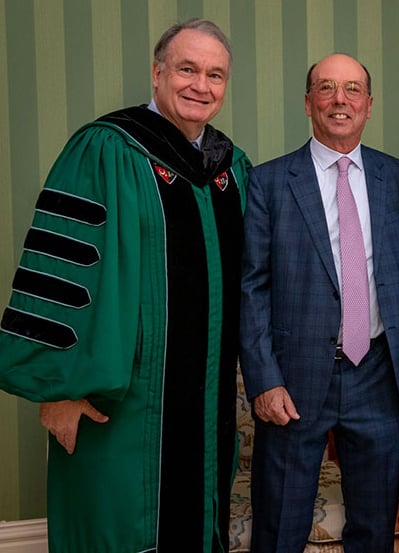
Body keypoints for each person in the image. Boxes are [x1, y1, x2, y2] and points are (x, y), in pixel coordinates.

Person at [0, 18, 251, 553]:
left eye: (215, 75)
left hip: (207, 402)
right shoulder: (105, 150)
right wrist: (60, 390)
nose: (200, 86)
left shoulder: (232, 169)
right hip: (123, 403)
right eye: (187, 69)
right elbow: (63, 272)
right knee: (121, 527)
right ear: (157, 73)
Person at [239, 53, 399, 553]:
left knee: (373, 528)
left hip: (379, 376)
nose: (339, 100)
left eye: (351, 89)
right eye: (326, 88)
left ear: (369, 104)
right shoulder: (269, 183)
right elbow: (251, 286)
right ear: (307, 103)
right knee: (280, 529)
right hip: (294, 381)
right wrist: (264, 379)